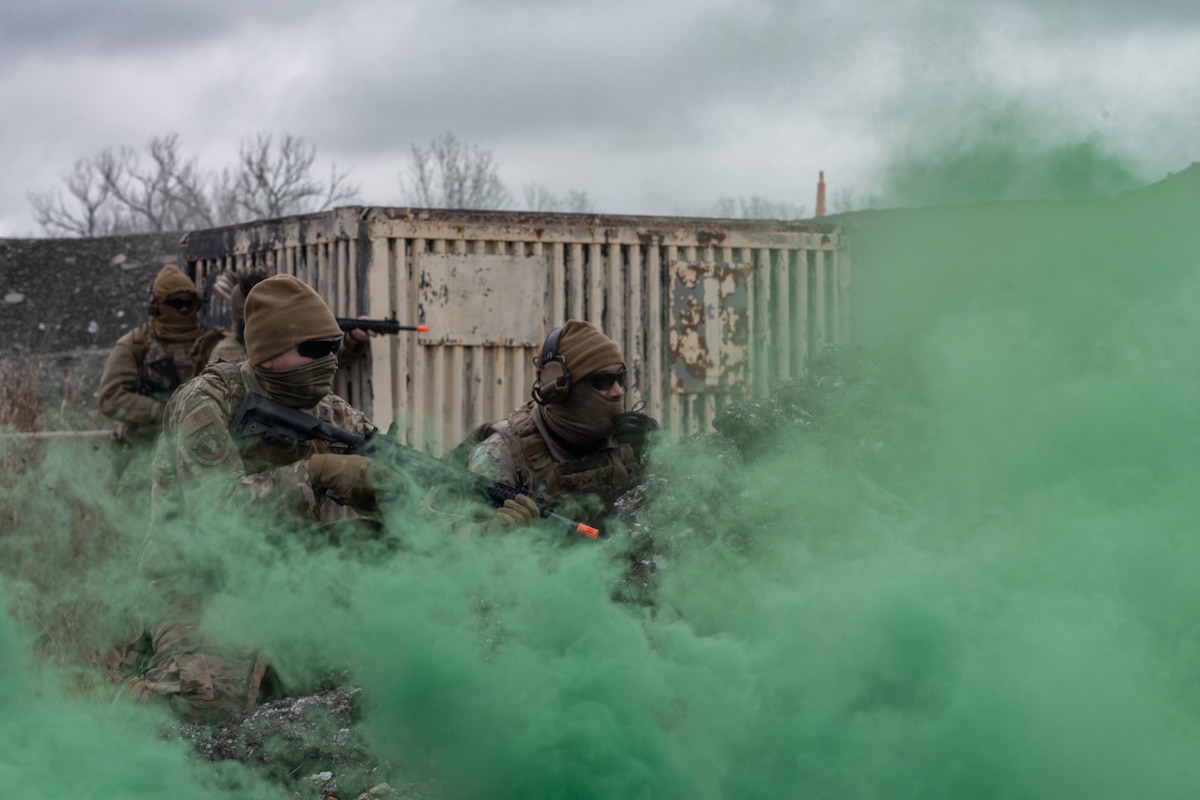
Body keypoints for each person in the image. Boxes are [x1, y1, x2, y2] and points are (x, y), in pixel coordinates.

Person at [109, 274, 406, 721]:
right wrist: (319, 473)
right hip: (197, 580)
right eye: (313, 349)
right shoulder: (208, 402)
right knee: (209, 702)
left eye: (333, 347)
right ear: (267, 355)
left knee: (361, 677)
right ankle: (130, 708)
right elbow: (217, 518)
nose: (329, 360)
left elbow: (406, 485)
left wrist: (428, 499)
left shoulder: (334, 412)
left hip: (289, 576)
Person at [462, 320, 660, 533]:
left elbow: (682, 509)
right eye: (603, 380)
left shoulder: (631, 439)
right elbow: (444, 539)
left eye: (621, 378)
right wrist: (492, 533)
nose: (618, 391)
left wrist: (659, 451)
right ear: (560, 389)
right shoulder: (504, 452)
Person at [97, 264, 226, 481]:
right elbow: (110, 398)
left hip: (202, 451)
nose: (184, 309)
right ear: (157, 305)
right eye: (175, 303)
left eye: (189, 302)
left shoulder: (210, 343)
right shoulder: (136, 344)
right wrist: (159, 412)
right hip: (144, 454)